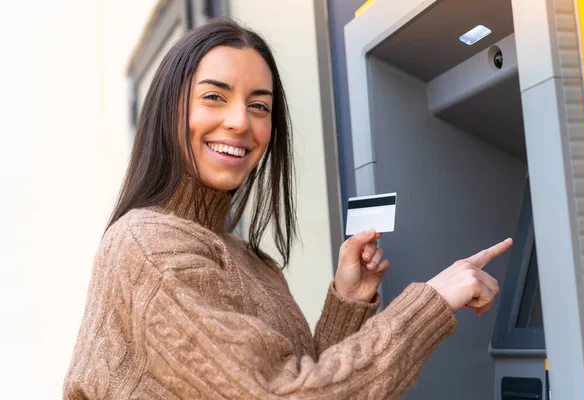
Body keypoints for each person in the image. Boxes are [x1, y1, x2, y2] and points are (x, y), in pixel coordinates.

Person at [63, 17, 512, 399]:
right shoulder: (149, 246)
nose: (240, 122)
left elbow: (301, 377)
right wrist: (429, 303)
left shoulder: (245, 257)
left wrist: (348, 301)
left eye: (259, 106)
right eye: (214, 96)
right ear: (168, 109)